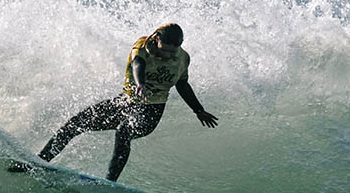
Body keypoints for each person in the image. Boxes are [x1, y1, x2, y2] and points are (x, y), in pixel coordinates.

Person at [17, 23, 218, 181]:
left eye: (172, 51)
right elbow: (138, 63)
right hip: (126, 103)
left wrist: (198, 110)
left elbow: (182, 85)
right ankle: (37, 163)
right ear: (156, 39)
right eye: (165, 50)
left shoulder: (182, 59)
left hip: (151, 112)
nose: (168, 55)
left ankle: (110, 183)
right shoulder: (142, 45)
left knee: (124, 130)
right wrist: (140, 84)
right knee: (74, 124)